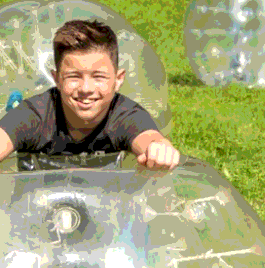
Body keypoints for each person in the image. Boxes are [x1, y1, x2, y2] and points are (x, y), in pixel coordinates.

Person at [0, 18, 179, 168]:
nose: (86, 89)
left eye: (99, 77)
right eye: (73, 77)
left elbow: (149, 138)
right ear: (56, 79)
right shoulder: (35, 115)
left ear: (118, 79)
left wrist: (159, 148)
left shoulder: (124, 115)